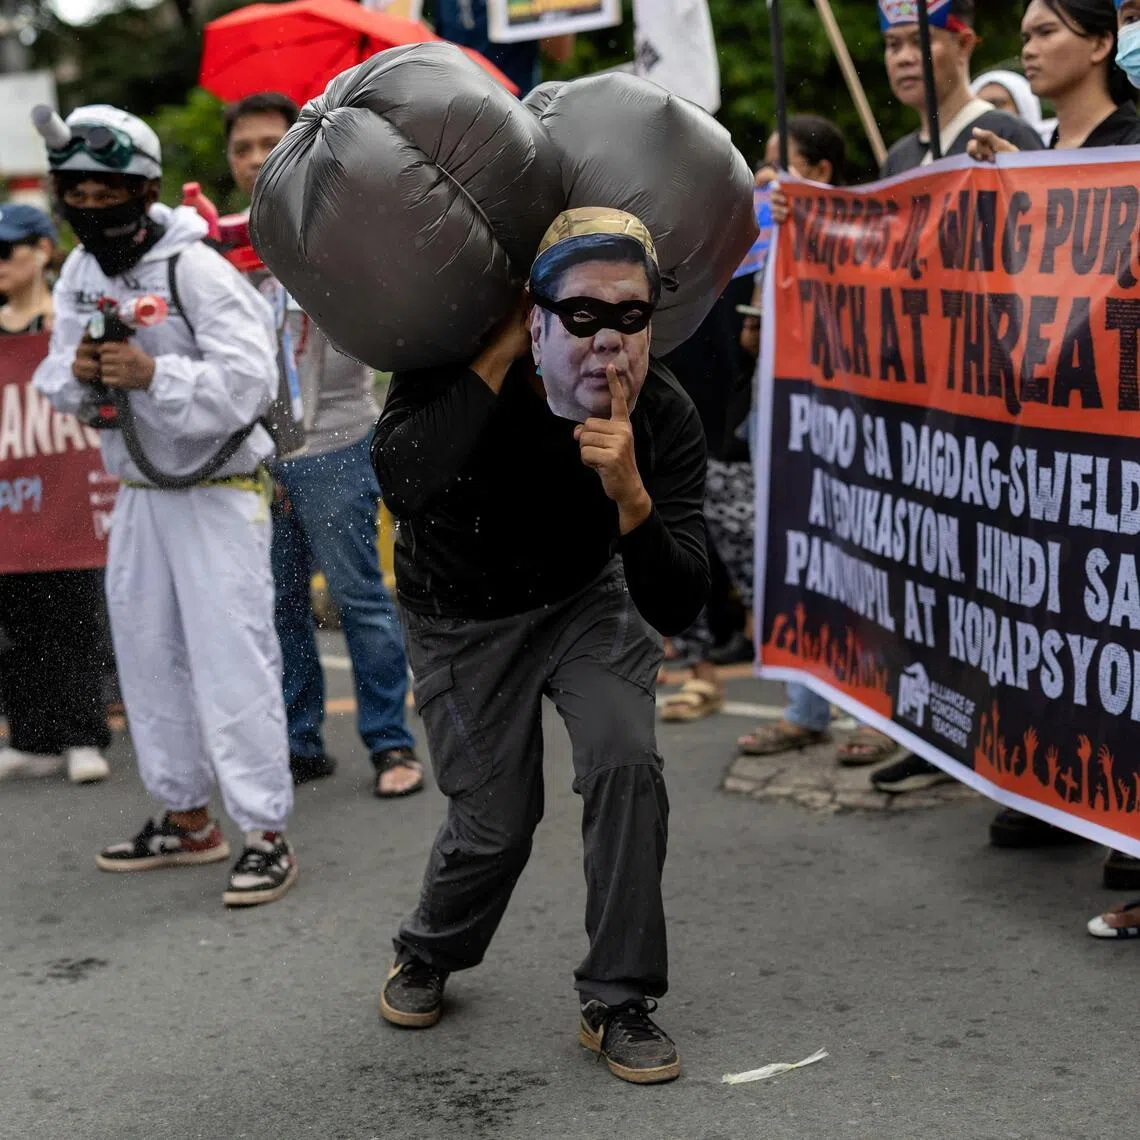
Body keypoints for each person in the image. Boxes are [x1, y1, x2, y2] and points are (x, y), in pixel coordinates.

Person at [372, 207, 709, 1085]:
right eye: (582, 316)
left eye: (630, 317)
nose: (609, 341)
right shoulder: (451, 367)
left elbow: (677, 597)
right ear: (537, 313)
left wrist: (630, 493)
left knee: (624, 761)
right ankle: (430, 949)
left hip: (585, 600)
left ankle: (620, 998)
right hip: (460, 615)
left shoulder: (662, 411)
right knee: (496, 826)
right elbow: (402, 482)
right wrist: (491, 360)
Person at [33, 104, 297, 906]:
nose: (89, 204)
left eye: (105, 189)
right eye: (73, 190)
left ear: (141, 188)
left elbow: (252, 382)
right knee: (148, 658)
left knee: (231, 660)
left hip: (216, 493)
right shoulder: (82, 273)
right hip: (141, 494)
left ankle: (265, 833)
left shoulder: (196, 268)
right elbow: (53, 377)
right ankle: (187, 819)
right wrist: (85, 372)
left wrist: (155, 377)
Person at [968, 0, 1140, 892]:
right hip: (1040, 427)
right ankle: (1057, 779)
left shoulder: (1133, 140)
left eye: (1044, 32)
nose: (1027, 47)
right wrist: (1015, 179)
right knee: (1053, 607)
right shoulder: (1044, 155)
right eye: (1024, 34)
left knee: (1121, 618)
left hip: (1121, 425)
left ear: (1101, 42)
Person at [224, 92, 421, 797]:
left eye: (268, 143)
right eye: (242, 147)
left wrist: (308, 278)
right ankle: (299, 739)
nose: (254, 159)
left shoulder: (339, 232)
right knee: (278, 605)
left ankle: (390, 746)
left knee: (359, 598)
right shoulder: (219, 245)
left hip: (337, 441)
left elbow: (381, 330)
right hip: (254, 455)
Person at [0, 203, 111, 786]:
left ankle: (84, 734)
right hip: (12, 500)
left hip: (67, 496)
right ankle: (32, 737)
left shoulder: (68, 326)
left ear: (43, 250)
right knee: (15, 619)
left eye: (7, 250)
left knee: (72, 614)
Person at [879, 0, 1045, 177]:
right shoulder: (896, 160)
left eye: (920, 42)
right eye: (893, 45)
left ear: (963, 44)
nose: (903, 58)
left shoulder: (1007, 135)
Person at [432, 0, 575, 96]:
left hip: (516, 113)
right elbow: (437, 43)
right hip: (458, 111)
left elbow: (561, 52)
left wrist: (555, 10)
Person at [970, 69, 1053, 142]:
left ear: (1023, 106)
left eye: (998, 104)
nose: (987, 112)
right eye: (979, 106)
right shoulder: (962, 155)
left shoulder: (1054, 149)